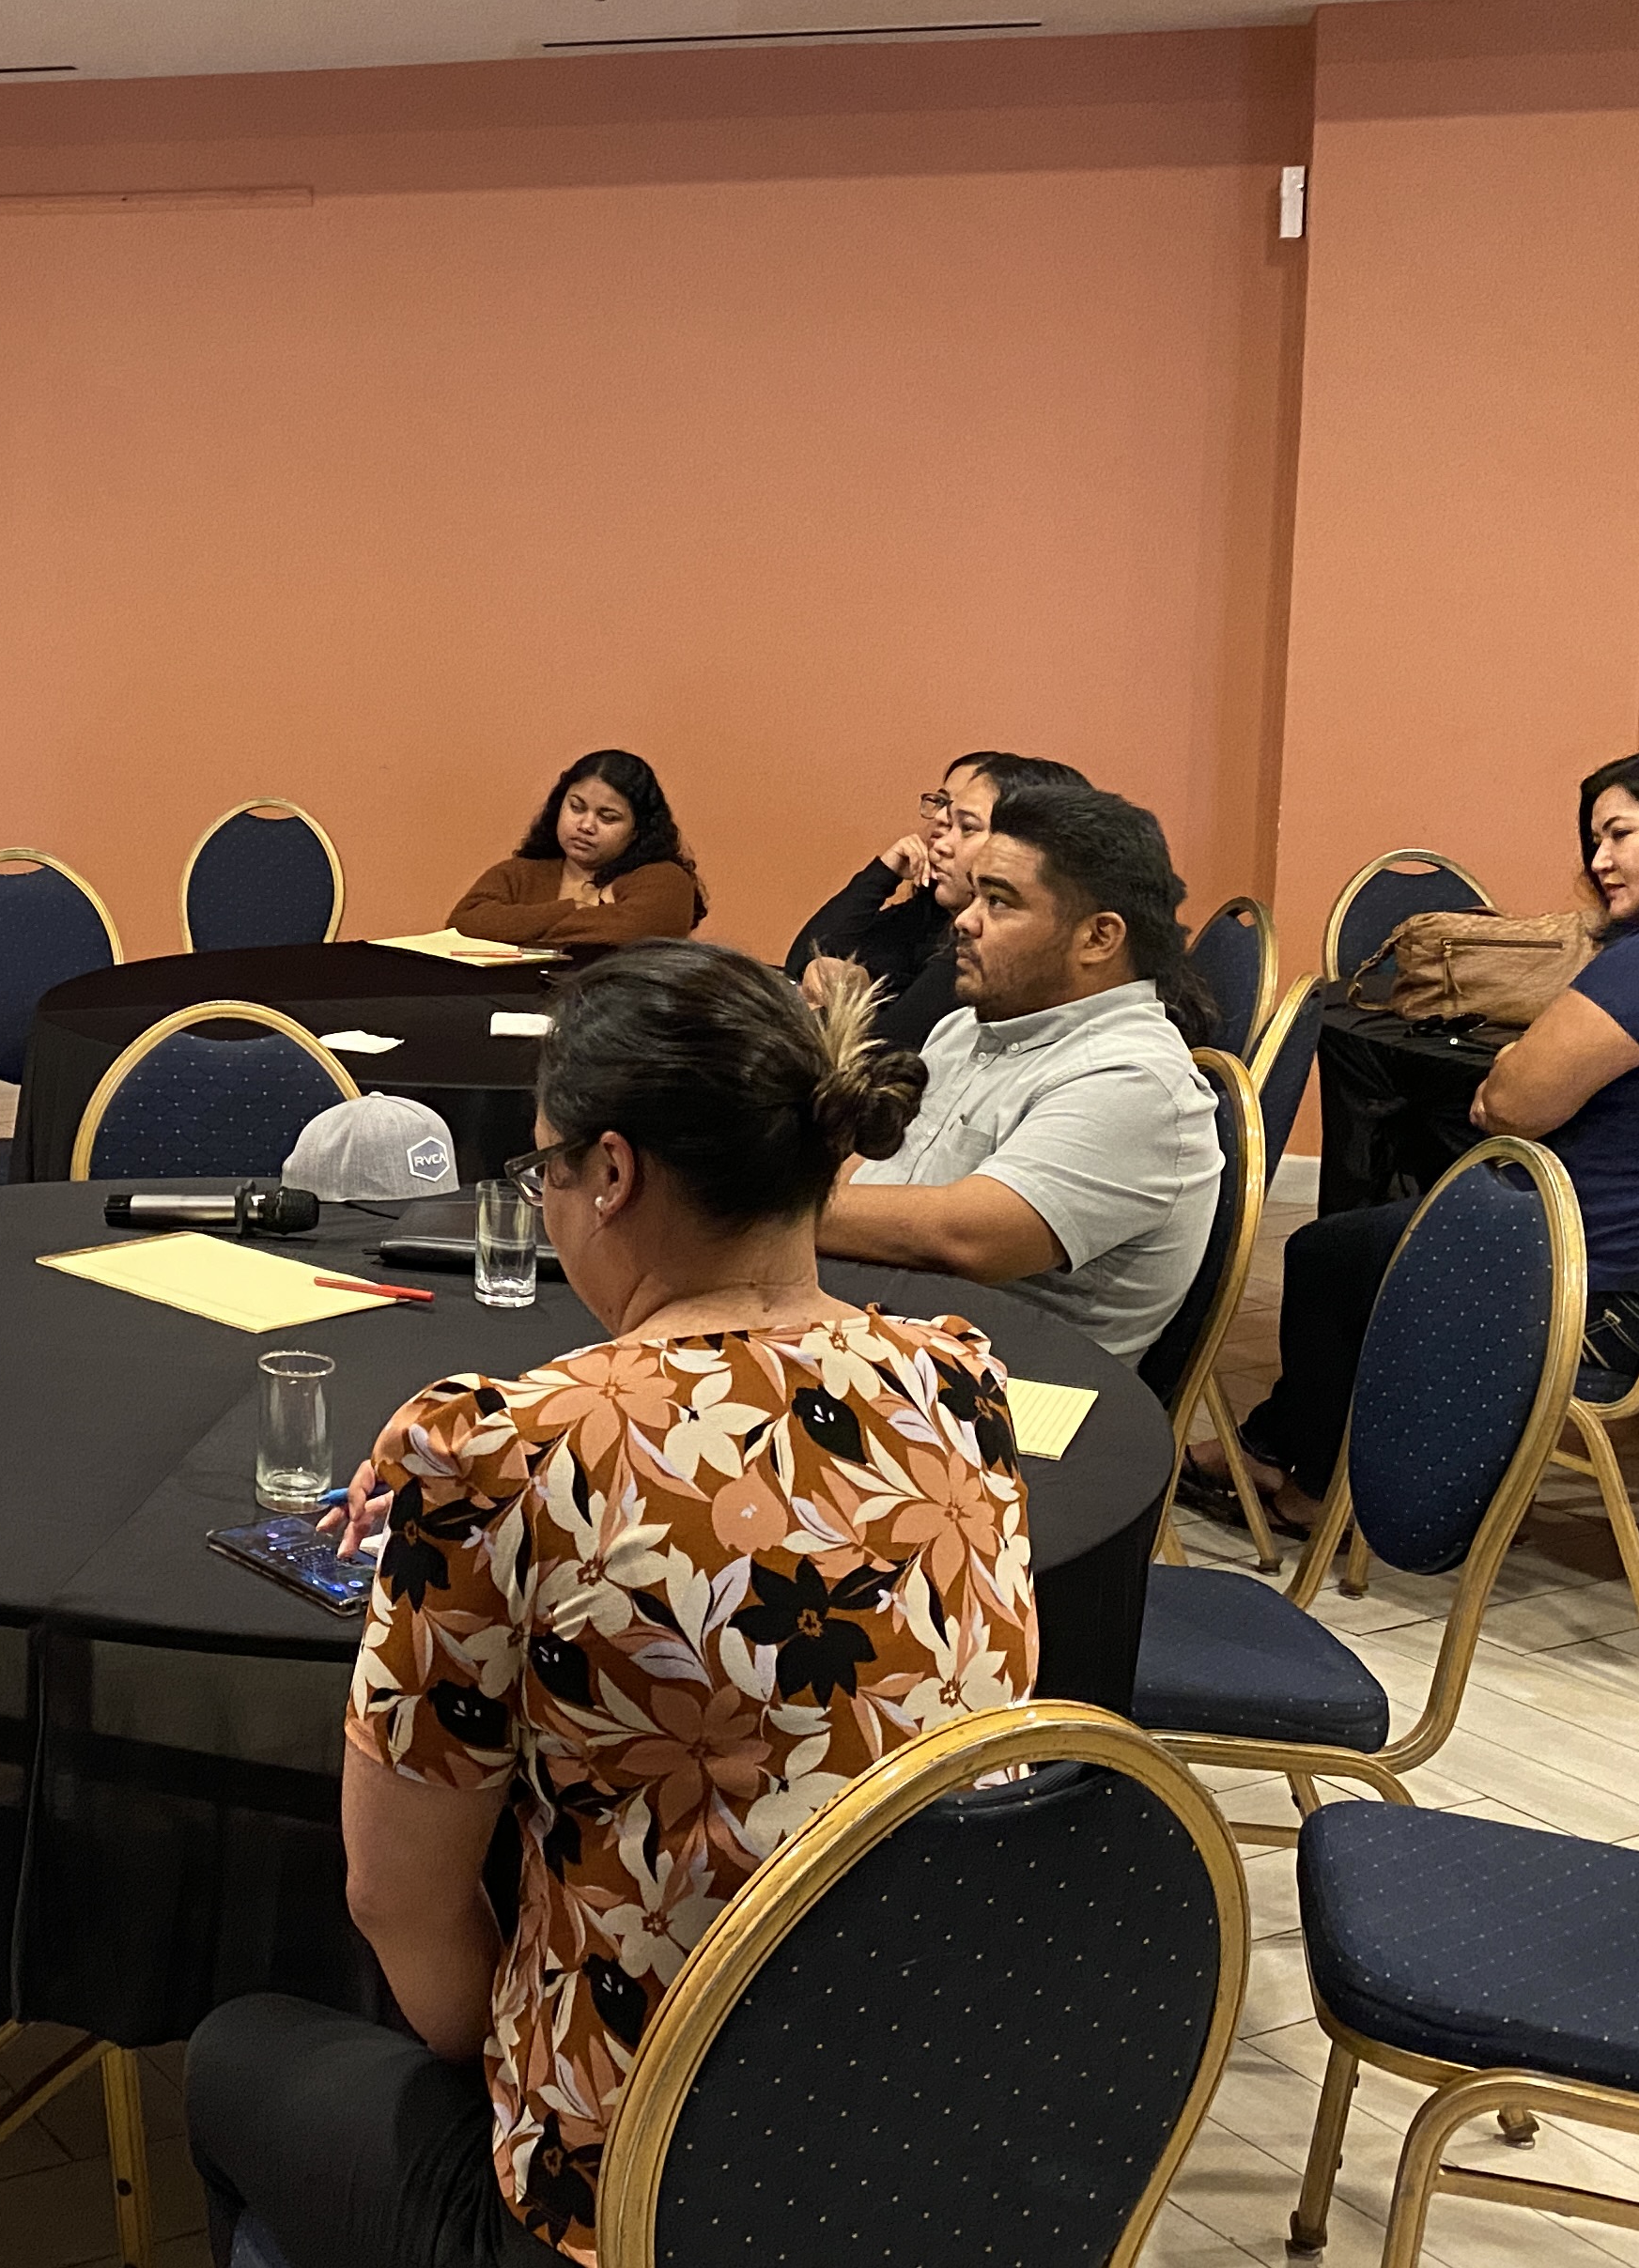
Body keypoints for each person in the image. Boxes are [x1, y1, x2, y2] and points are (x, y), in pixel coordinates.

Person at [186, 944, 1033, 2268]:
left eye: (545, 1168)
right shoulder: (961, 1383)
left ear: (614, 1173)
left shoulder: (505, 1452)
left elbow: (396, 1904)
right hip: (909, 2141)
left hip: (635, 2201)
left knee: (238, 2053)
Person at [1197, 747, 1639, 1533]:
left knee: (1327, 1257)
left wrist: (1520, 1064)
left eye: (1621, 835)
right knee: (1371, 1244)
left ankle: (1310, 1487)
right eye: (1594, 841)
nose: (1600, 861)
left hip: (1594, 1295)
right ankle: (1280, 1451)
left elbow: (1508, 1108)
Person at [817, 783, 1223, 1365]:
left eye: (1000, 902)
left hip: (1012, 1394)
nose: (965, 920)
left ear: (1098, 937)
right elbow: (869, 1167)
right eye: (976, 895)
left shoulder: (1133, 1081)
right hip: (899, 1334)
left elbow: (964, 1239)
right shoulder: (969, 1027)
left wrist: (745, 1212)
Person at [784, 749, 1092, 1050]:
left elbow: (884, 1050)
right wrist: (881, 874)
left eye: (967, 826)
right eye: (944, 806)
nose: (939, 837)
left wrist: (852, 1003)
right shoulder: (934, 907)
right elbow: (801, 966)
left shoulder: (995, 937)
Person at [446, 750, 703, 950]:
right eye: (577, 807)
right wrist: (574, 909)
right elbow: (464, 924)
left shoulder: (664, 879)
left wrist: (516, 929)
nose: (586, 825)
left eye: (608, 817)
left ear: (637, 830)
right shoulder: (519, 873)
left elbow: (630, 934)